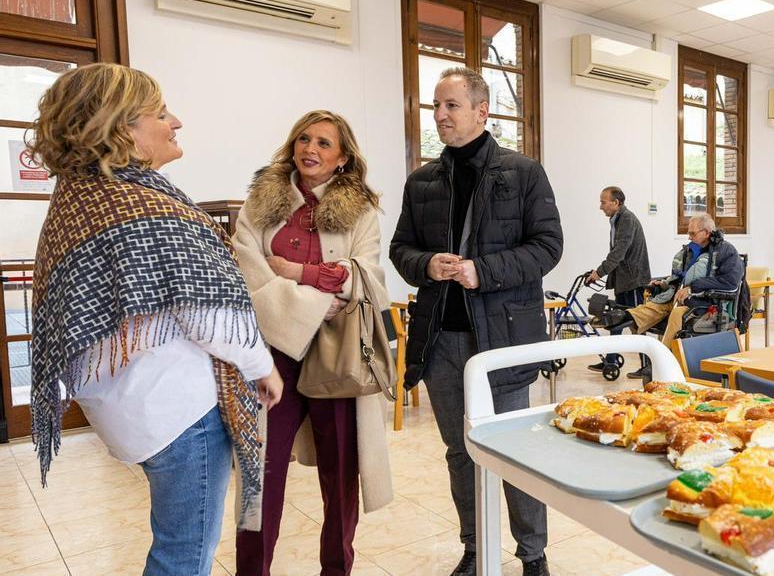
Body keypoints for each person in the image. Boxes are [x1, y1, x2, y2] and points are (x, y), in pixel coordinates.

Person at [28, 63, 283, 575]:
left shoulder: (80, 199)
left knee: (176, 549)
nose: (176, 121)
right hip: (178, 412)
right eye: (161, 112)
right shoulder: (140, 207)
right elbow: (208, 312)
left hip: (130, 408)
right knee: (183, 557)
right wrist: (262, 367)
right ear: (124, 127)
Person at [390, 67, 562, 576]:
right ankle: (475, 547)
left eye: (450, 106)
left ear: (481, 112)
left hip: (503, 341)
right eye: (435, 107)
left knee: (514, 453)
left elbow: (548, 247)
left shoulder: (524, 172)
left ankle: (533, 555)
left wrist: (479, 271)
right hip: (442, 340)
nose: (440, 115)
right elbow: (400, 250)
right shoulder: (421, 181)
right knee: (460, 451)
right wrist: (426, 265)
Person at [233, 110, 393, 575]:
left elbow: (368, 277)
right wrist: (315, 299)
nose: (311, 150)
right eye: (304, 139)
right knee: (259, 475)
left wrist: (300, 274)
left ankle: (336, 569)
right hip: (271, 357)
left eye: (324, 143)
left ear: (342, 157)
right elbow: (248, 275)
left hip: (336, 354)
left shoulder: (361, 210)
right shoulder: (259, 203)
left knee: (340, 474)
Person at [595, 213, 744, 350]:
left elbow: (730, 283)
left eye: (692, 233)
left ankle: (665, 356)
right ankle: (620, 317)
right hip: (680, 298)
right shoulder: (691, 251)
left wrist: (692, 288)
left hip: (708, 304)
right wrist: (666, 283)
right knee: (652, 306)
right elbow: (682, 277)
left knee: (677, 313)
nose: (689, 237)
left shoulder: (727, 251)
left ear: (706, 232)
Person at [585, 186, 651, 377]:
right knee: (616, 320)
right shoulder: (618, 219)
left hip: (633, 280)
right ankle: (611, 361)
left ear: (616, 202)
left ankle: (647, 366)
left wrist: (600, 272)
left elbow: (619, 252)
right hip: (624, 279)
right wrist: (599, 272)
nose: (600, 206)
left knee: (637, 323)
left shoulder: (626, 219)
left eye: (603, 202)